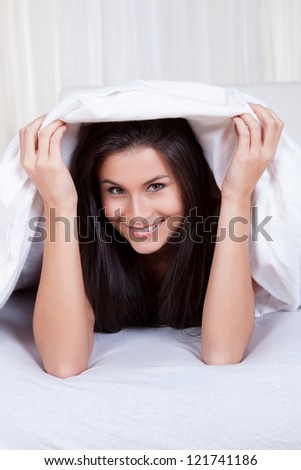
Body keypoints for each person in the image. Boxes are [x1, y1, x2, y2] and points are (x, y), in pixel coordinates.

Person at [19, 103, 284, 378]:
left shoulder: (218, 234)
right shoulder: (88, 241)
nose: (138, 214)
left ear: (190, 183)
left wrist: (238, 194)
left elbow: (223, 354)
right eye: (116, 190)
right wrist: (58, 203)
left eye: (156, 186)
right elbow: (63, 364)